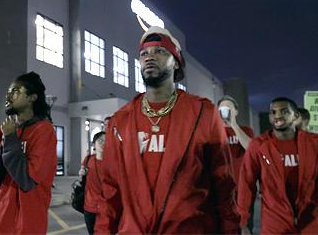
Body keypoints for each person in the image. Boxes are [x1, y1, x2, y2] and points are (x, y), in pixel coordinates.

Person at [95, 26, 232, 234]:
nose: (150, 57)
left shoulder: (203, 113)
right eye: (144, 54)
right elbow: (110, 190)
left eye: (159, 51)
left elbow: (223, 185)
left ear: (176, 62)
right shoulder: (120, 121)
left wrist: (231, 230)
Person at [237, 97, 318, 234]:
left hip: (310, 219)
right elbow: (246, 185)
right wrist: (243, 223)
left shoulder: (317, 143)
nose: (277, 116)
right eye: (273, 112)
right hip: (275, 222)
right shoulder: (259, 146)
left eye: (284, 112)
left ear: (296, 116)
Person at [0, 72, 57, 235]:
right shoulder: (0, 132)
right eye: (8, 91)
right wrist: (6, 141)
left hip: (28, 225)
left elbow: (27, 180)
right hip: (0, 223)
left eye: (15, 91)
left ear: (32, 97)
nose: (8, 96)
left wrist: (10, 138)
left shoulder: (44, 131)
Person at [217, 95, 254, 234]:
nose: (225, 111)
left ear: (236, 111)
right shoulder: (213, 130)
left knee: (243, 227)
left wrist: (233, 124)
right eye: (222, 108)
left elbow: (251, 149)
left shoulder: (246, 130)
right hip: (221, 189)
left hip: (242, 188)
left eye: (228, 108)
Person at [84, 131, 106, 235]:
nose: (103, 143)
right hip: (90, 208)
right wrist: (81, 175)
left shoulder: (114, 162)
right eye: (100, 140)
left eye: (107, 141)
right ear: (94, 144)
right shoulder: (88, 160)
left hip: (107, 210)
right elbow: (82, 179)